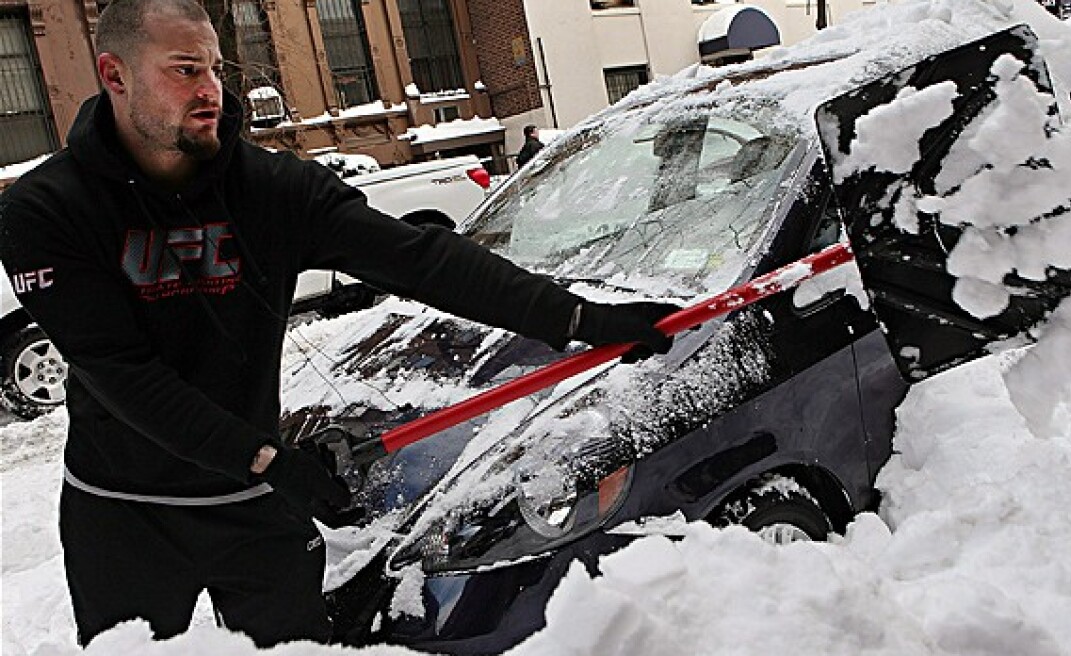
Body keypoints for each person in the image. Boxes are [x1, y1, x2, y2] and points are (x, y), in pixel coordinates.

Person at [0, 0, 675, 648]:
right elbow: (118, 370)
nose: (209, 88)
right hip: (124, 512)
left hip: (253, 500)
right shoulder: (46, 209)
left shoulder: (267, 189)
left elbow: (422, 259)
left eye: (213, 68)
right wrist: (266, 458)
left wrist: (579, 315)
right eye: (184, 69)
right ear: (114, 75)